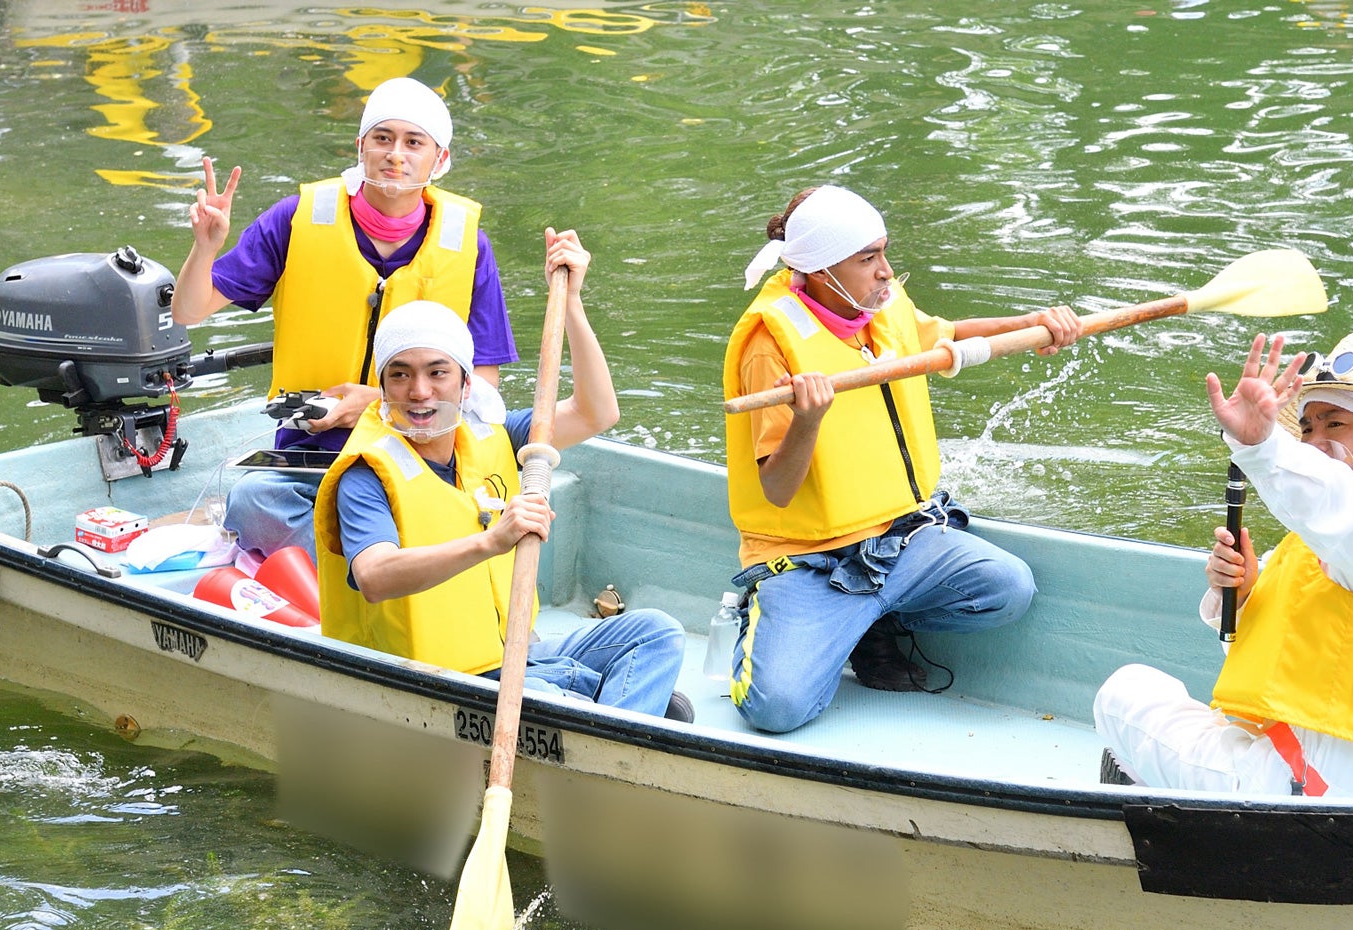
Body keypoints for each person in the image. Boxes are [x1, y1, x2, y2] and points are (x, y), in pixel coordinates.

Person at [722, 185, 1082, 734]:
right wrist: (808, 419)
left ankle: (868, 622)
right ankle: (789, 619)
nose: (886, 271)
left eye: (884, 252)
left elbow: (951, 337)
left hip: (900, 538)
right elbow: (777, 489)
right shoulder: (770, 346)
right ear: (821, 270)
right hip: (809, 559)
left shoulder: (882, 306)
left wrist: (1035, 326)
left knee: (1008, 589)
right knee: (776, 709)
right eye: (868, 259)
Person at [314, 232, 691, 721]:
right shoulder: (366, 474)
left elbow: (596, 412)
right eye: (400, 375)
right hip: (443, 683)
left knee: (658, 632)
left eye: (438, 372)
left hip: (519, 650)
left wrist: (572, 304)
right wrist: (491, 541)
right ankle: (610, 709)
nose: (420, 391)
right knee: (565, 704)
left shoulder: (494, 434)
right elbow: (375, 577)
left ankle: (605, 714)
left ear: (466, 384)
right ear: (383, 389)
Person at [1093, 329, 1353, 797]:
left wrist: (1260, 446)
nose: (1315, 443)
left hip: (1302, 791)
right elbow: (1284, 661)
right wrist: (1243, 594)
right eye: (1309, 428)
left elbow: (1330, 501)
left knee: (1122, 692)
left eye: (1335, 425)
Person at [174, 76, 519, 562]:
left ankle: (369, 564)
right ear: (360, 147)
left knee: (452, 504)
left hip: (417, 447)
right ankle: (383, 567)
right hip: (310, 454)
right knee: (252, 502)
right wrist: (205, 248)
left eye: (413, 142)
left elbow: (483, 392)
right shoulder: (294, 218)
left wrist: (378, 404)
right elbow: (188, 310)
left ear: (439, 159)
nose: (395, 154)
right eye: (383, 138)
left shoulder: (469, 244)